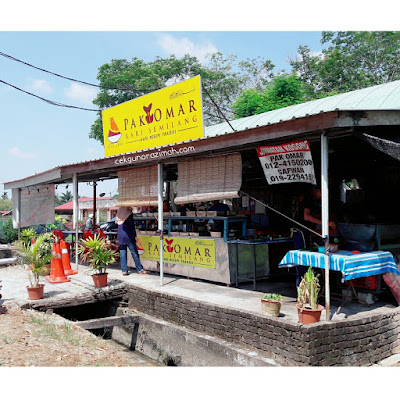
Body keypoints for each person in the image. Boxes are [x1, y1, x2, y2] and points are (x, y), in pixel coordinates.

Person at [116, 206, 150, 276]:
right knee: (134, 252)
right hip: (128, 236)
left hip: (120, 236)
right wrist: (135, 236)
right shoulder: (128, 214)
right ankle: (140, 269)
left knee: (123, 254)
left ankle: (124, 271)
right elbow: (131, 226)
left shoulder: (119, 215)